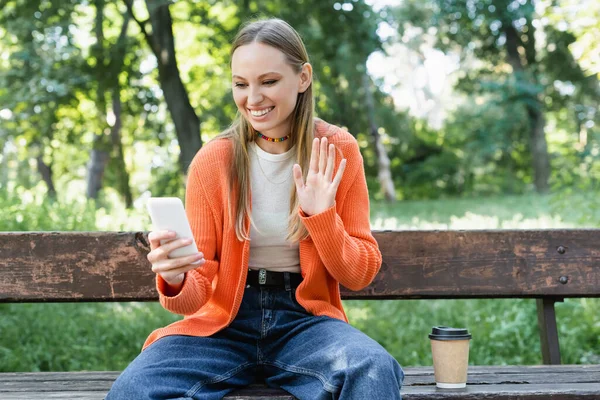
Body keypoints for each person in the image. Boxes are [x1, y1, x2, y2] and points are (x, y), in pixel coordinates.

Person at [107, 18, 404, 400]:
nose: (253, 98)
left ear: (303, 77)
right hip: (223, 325)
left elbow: (360, 273)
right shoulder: (214, 161)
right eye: (241, 84)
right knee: (134, 389)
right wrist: (177, 277)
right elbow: (194, 296)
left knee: (373, 370)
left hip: (304, 321)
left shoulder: (336, 149)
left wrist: (322, 218)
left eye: (268, 81)